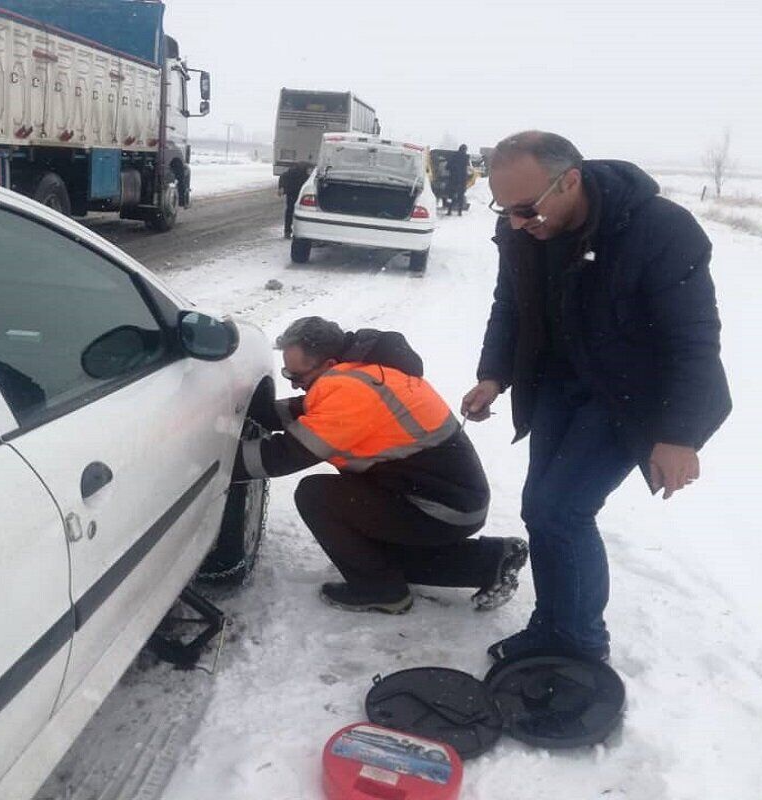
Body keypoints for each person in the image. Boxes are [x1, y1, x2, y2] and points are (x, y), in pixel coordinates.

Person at [461, 131, 732, 662]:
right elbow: (511, 305)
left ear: (571, 182)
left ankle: (580, 646)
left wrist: (680, 436)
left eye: (525, 208)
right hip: (560, 384)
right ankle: (552, 624)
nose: (515, 222)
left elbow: (694, 339)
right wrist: (494, 374)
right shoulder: (523, 226)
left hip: (632, 393)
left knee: (562, 510)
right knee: (540, 509)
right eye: (503, 209)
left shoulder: (659, 230)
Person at [236, 316, 528, 614]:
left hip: (440, 510)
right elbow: (309, 410)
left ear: (328, 364)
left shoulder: (351, 391)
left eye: (296, 376)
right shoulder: (363, 373)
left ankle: (379, 590)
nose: (294, 384)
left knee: (316, 496)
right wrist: (255, 413)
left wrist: (215, 462)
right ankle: (493, 560)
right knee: (380, 557)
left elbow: (284, 455)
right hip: (447, 499)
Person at [278, 162, 313, 238]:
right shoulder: (304, 174)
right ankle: (298, 231)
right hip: (297, 193)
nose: (310, 172)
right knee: (302, 212)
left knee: (290, 212)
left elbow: (282, 177)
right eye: (309, 170)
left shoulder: (293, 172)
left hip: (291, 193)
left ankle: (287, 231)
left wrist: (281, 187)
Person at [447, 144, 471, 215]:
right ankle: (459, 212)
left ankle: (449, 210)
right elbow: (467, 169)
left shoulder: (454, 156)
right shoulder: (466, 157)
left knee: (451, 196)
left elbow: (447, 167)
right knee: (461, 196)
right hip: (462, 180)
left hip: (453, 180)